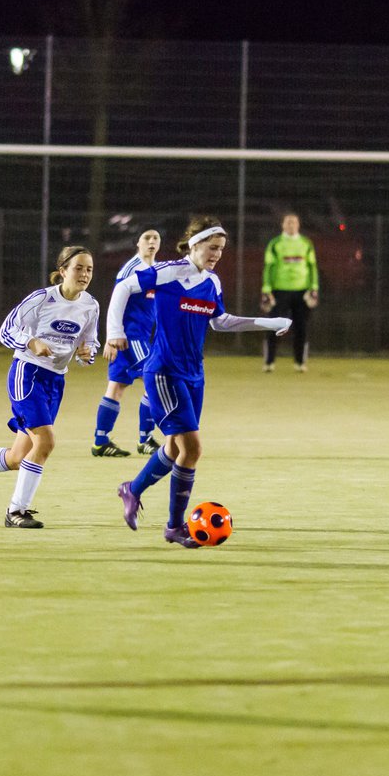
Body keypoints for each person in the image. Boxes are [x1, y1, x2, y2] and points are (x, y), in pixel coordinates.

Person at [109, 216, 292, 546]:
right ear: (194, 244)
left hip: (195, 374)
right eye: (212, 247)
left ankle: (132, 489)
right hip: (164, 371)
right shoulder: (167, 272)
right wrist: (115, 333)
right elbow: (124, 287)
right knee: (192, 449)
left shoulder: (213, 282)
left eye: (221, 249)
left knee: (176, 447)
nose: (217, 254)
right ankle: (174, 526)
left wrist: (270, 322)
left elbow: (221, 322)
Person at [0, 246, 99, 529]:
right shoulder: (41, 299)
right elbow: (6, 330)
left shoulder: (91, 305)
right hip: (28, 374)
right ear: (62, 271)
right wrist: (31, 342)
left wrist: (88, 353)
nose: (84, 274)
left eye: (89, 269)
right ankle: (16, 511)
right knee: (45, 443)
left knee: (17, 457)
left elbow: (89, 341)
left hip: (56, 381)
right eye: (78, 268)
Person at [90, 229, 163, 457]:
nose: (151, 242)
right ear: (137, 244)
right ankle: (145, 439)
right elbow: (116, 301)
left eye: (155, 239)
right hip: (131, 338)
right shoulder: (132, 269)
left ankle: (101, 441)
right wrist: (113, 335)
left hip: (138, 336)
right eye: (147, 238)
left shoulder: (156, 269)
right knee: (157, 378)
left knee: (116, 387)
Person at [261, 212, 319, 372]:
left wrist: (314, 287)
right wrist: (267, 289)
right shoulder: (275, 243)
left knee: (301, 327)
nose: (291, 225)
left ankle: (300, 363)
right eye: (288, 222)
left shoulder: (306, 243)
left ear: (298, 225)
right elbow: (269, 267)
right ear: (283, 225)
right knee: (274, 327)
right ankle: (269, 362)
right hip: (279, 291)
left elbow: (312, 266)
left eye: (294, 222)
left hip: (301, 291)